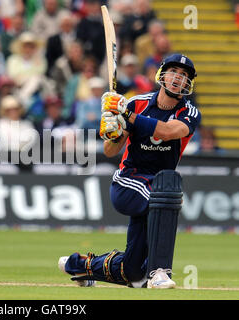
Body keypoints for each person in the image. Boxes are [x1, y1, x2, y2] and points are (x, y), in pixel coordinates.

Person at [58, 54, 201, 289]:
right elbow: (110, 150)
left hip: (157, 187)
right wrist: (113, 130)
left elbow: (167, 132)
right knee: (166, 193)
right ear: (162, 74)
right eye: (175, 71)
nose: (179, 78)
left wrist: (128, 116)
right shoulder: (136, 103)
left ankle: (79, 265)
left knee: (133, 272)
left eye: (185, 75)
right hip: (129, 182)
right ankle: (160, 272)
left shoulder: (189, 112)